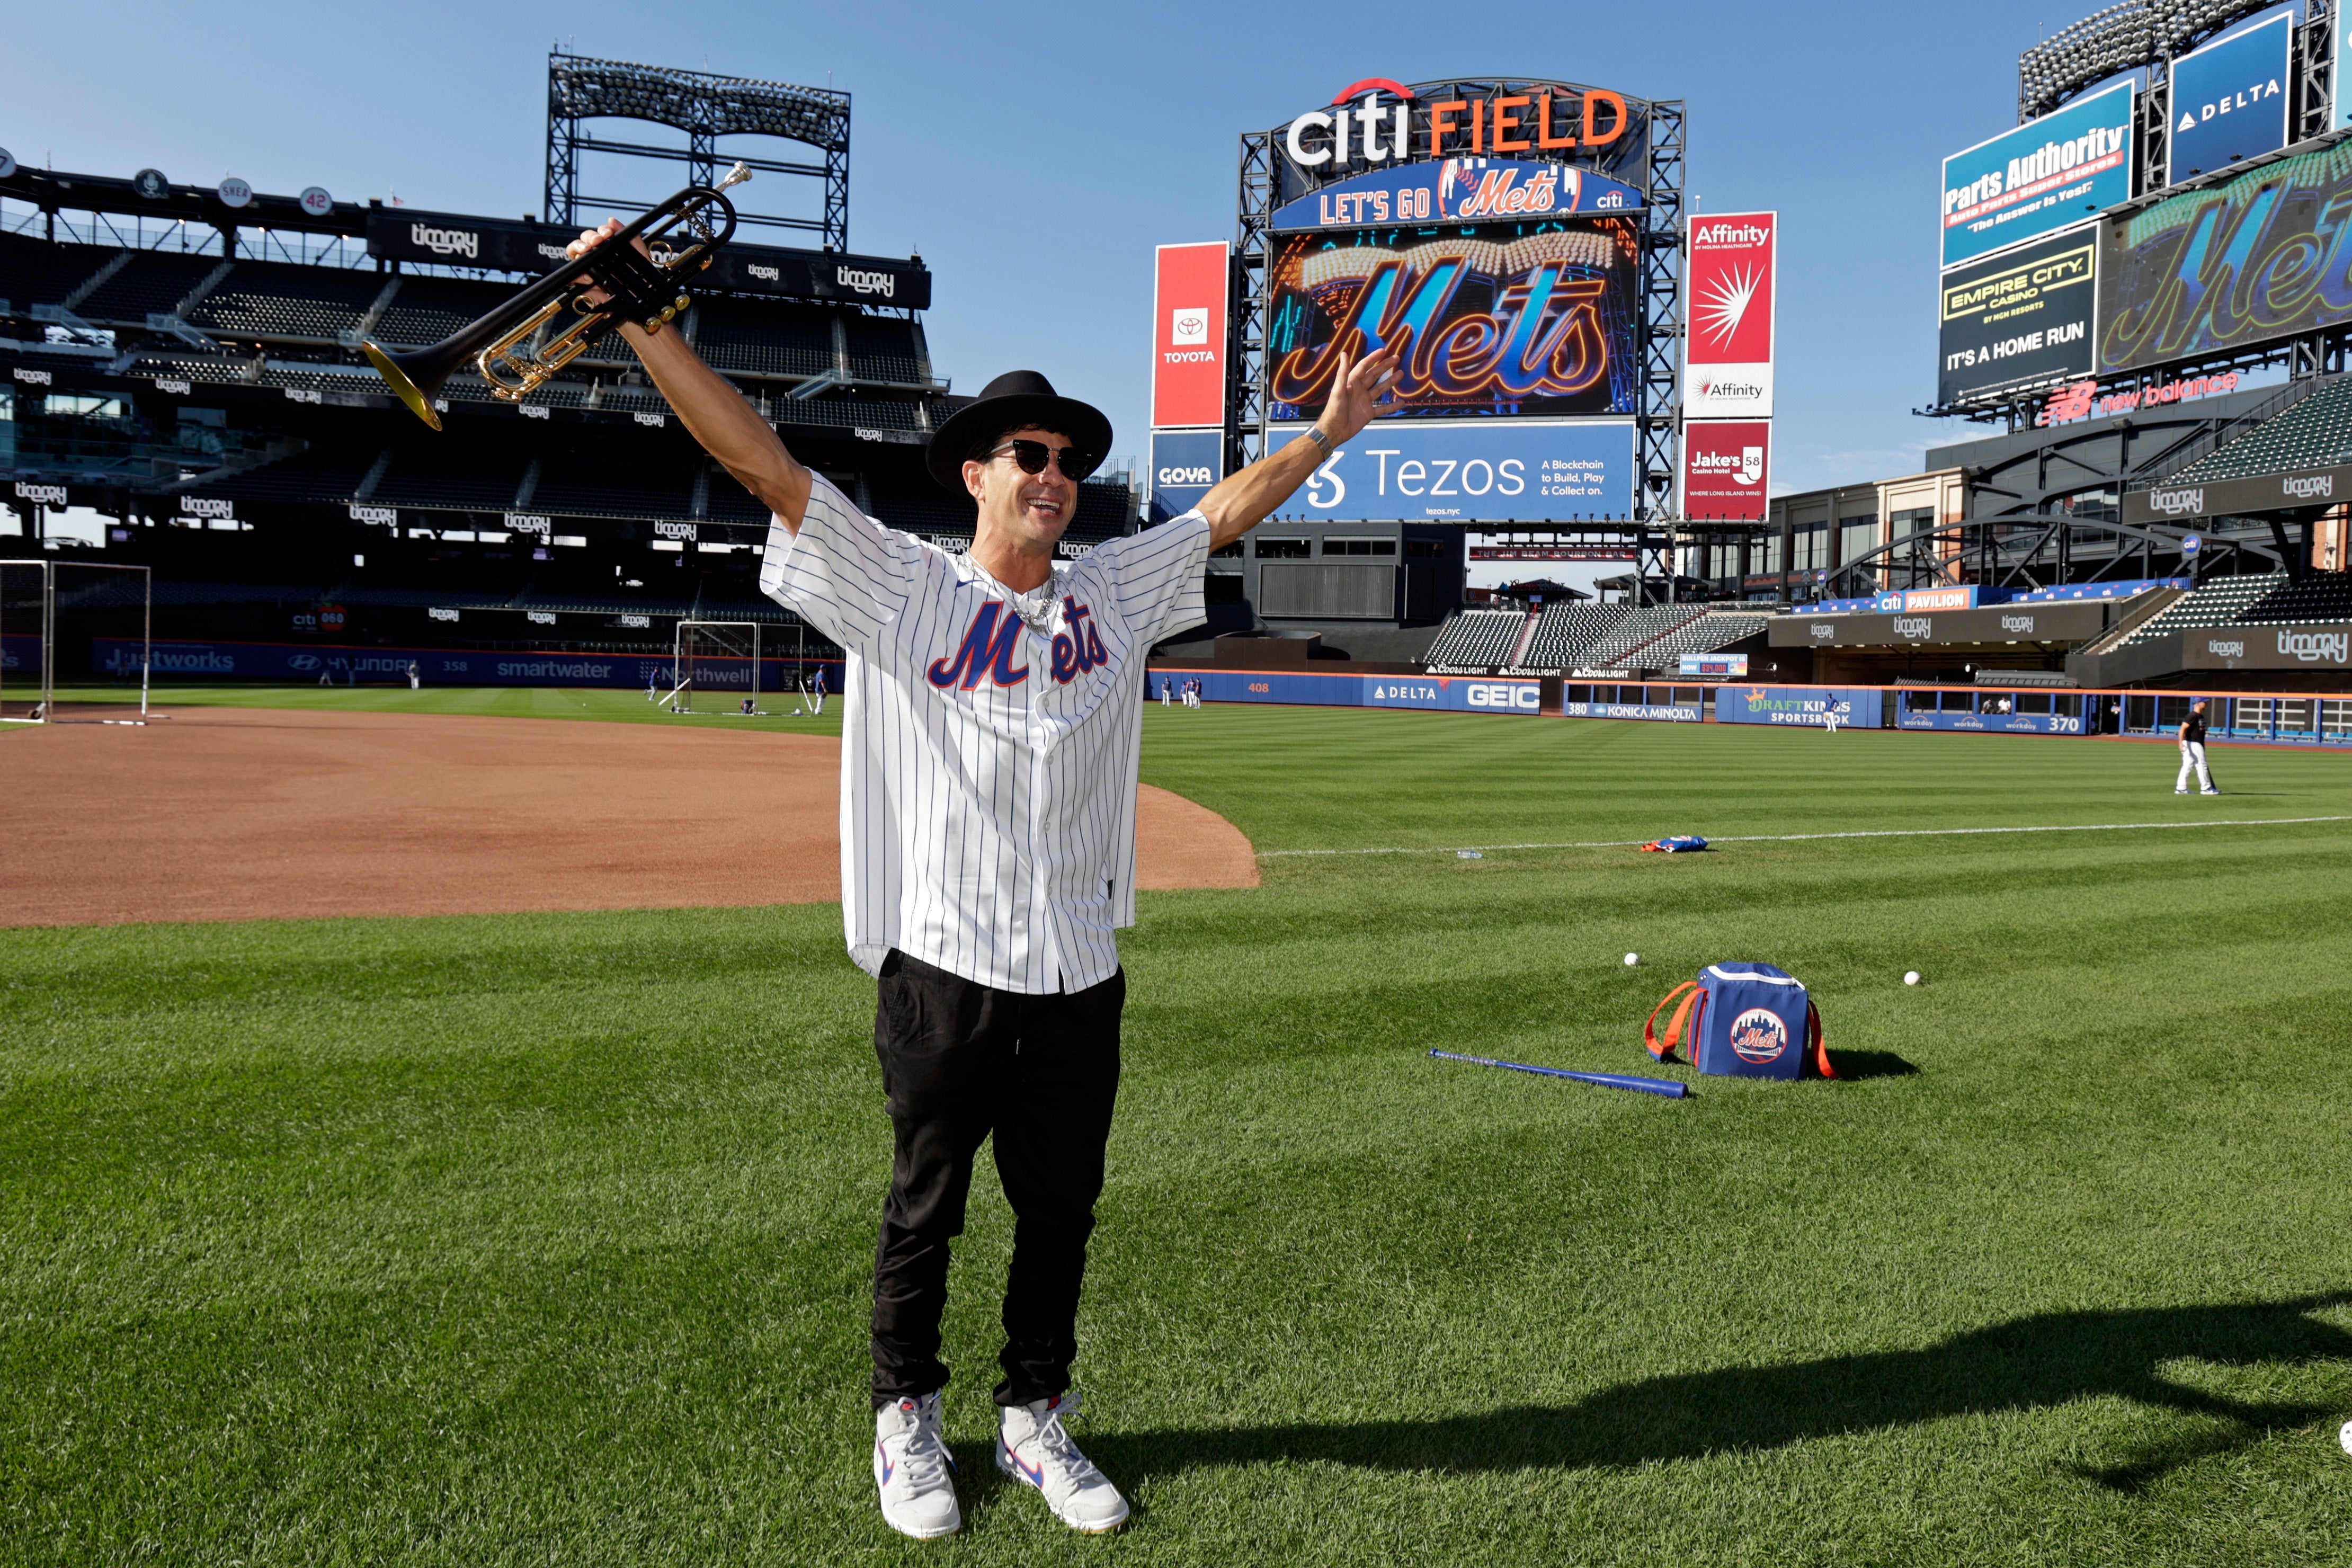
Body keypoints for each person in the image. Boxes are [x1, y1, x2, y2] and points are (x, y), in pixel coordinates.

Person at [568, 214, 1401, 1543]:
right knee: (926, 1204)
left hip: (1079, 966)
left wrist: (1332, 432)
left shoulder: (1117, 592)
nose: (1055, 471)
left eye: (1070, 457)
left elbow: (1226, 508)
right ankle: (905, 1414)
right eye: (1032, 452)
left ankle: (1032, 1415)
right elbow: (765, 464)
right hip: (944, 960)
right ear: (976, 471)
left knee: (1059, 1213)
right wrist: (646, 325)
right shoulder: (903, 589)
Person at [2176, 698, 2219, 794]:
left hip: (2196, 743)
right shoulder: (2192, 716)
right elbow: (2182, 729)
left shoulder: (2200, 716)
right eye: (2204, 702)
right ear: (2198, 704)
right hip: (2192, 742)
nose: (2206, 703)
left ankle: (2181, 788)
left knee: (2188, 765)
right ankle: (2206, 788)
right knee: (2201, 764)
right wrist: (2180, 743)